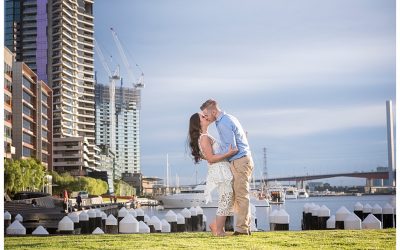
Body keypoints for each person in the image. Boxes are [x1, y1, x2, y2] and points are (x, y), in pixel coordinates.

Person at [200, 99, 254, 236]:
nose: (205, 117)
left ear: (213, 111)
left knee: (241, 196)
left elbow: (232, 148)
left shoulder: (223, 123)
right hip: (241, 160)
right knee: (238, 196)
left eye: (206, 114)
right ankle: (244, 227)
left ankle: (242, 230)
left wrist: (210, 156)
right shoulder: (228, 119)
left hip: (240, 160)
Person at [188, 112, 238, 236]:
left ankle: (216, 225)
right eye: (202, 117)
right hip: (220, 170)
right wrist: (229, 153)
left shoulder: (204, 136)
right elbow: (211, 158)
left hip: (220, 168)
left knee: (228, 198)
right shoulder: (204, 137)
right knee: (226, 199)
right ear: (198, 123)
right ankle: (219, 231)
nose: (206, 116)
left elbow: (207, 156)